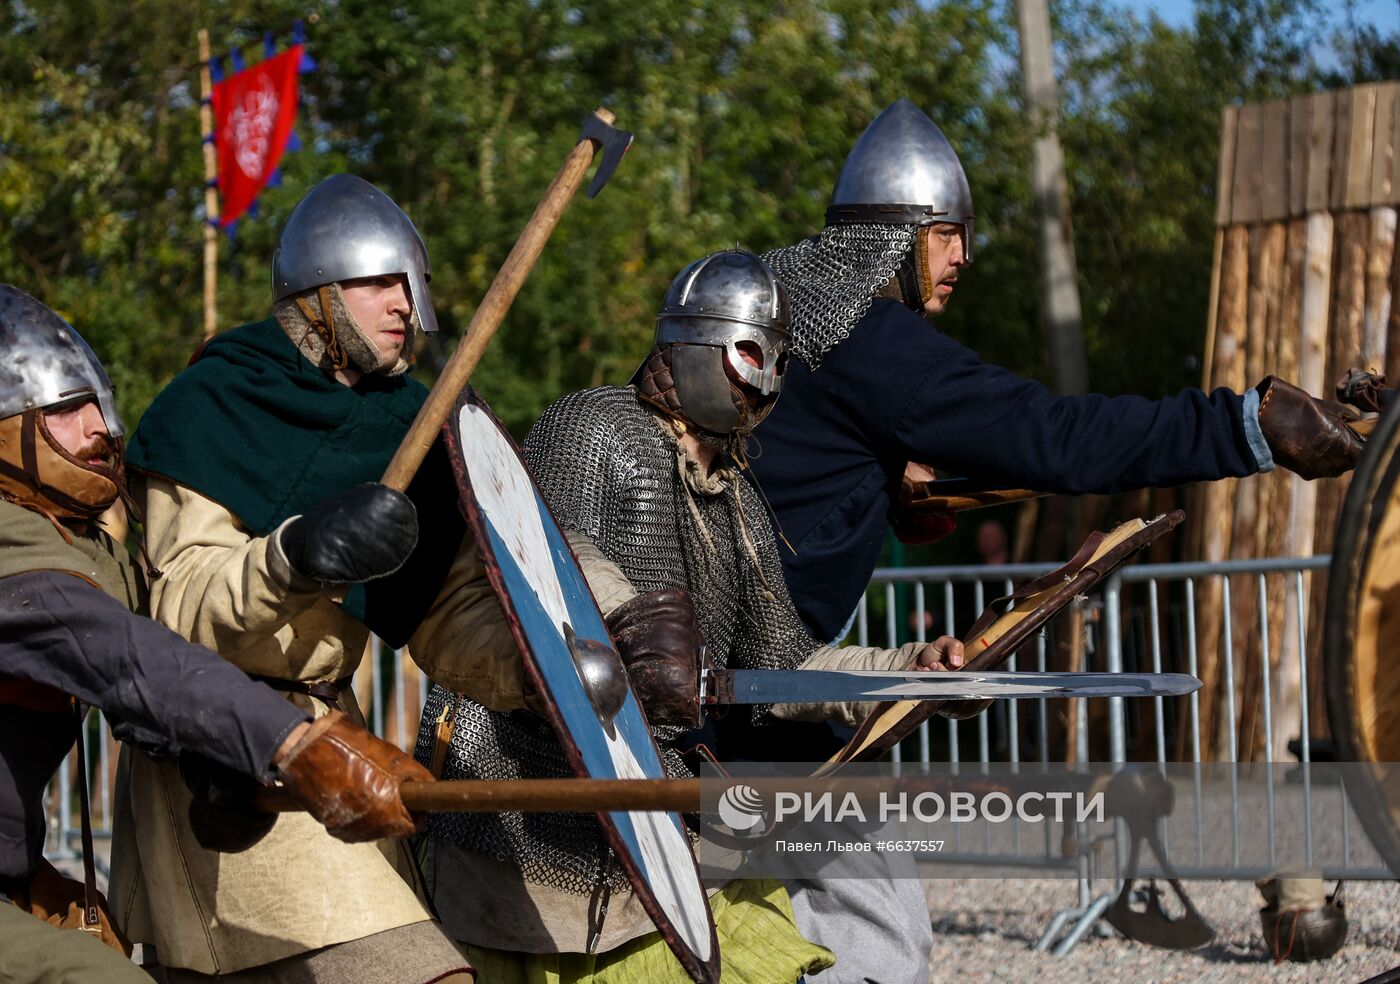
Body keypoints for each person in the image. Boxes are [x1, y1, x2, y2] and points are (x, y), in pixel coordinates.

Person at [415, 249, 966, 982]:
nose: (763, 380)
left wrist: (907, 673)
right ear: (691, 345)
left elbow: (783, 667)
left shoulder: (735, 493)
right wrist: (629, 622)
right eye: (748, 353)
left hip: (659, 816)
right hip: (530, 821)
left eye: (776, 360)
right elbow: (548, 557)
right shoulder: (595, 428)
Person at [108, 175, 527, 982]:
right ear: (316, 295)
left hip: (338, 749)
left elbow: (444, 611)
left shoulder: (405, 424)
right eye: (379, 283)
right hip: (224, 753)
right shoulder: (212, 407)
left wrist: (538, 671)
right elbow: (181, 609)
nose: (404, 304)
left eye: (413, 285)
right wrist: (294, 554)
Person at [753, 97, 1366, 647]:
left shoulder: (772, 303)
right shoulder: (872, 339)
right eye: (944, 235)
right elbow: (1055, 437)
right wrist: (1242, 426)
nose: (964, 256)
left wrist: (874, 483)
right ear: (893, 238)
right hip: (739, 671)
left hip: (704, 641)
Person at [0, 286, 434, 983]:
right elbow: (122, 659)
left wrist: (219, 760)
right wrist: (290, 741)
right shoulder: (9, 543)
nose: (98, 429)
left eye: (96, 403)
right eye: (60, 410)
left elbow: (147, 679)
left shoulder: (88, 545)